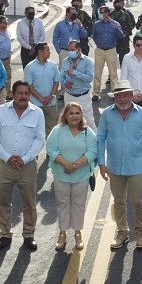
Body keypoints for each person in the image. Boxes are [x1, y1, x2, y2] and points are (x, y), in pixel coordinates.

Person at [97, 80, 142, 250]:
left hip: (136, 166)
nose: (122, 99)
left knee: (138, 202)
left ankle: (140, 233)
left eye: (125, 95)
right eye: (118, 96)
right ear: (115, 97)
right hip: (114, 166)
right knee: (119, 201)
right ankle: (122, 232)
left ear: (131, 96)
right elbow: (100, 138)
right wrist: (101, 163)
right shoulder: (107, 114)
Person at [0, 81, 46, 251]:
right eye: (20, 93)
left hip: (27, 166)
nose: (23, 96)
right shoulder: (1, 111)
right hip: (4, 165)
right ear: (13, 94)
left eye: (26, 93)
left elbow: (39, 139)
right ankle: (5, 235)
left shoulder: (37, 113)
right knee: (4, 201)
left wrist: (26, 158)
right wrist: (7, 158)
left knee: (29, 202)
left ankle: (29, 235)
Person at [47, 102, 97, 251]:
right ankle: (62, 233)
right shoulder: (57, 130)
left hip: (81, 175)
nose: (74, 116)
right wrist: (66, 165)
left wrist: (75, 166)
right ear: (66, 115)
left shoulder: (88, 132)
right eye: (71, 113)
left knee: (78, 204)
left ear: (81, 115)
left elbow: (93, 152)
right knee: (62, 203)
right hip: (61, 174)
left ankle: (77, 233)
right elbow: (51, 149)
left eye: (77, 113)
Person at [24, 42, 61, 136]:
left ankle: (50, 150)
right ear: (40, 52)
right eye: (47, 50)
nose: (50, 52)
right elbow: (29, 86)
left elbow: (56, 81)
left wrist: (51, 96)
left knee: (52, 130)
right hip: (36, 104)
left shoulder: (53, 66)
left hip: (51, 103)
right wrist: (41, 99)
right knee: (35, 130)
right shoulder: (30, 67)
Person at [60, 39, 96, 128]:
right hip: (69, 96)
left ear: (78, 49)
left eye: (72, 50)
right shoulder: (65, 61)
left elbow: (89, 78)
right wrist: (65, 83)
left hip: (83, 96)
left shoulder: (87, 61)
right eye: (69, 50)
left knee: (89, 122)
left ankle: (96, 141)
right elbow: (61, 77)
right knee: (69, 122)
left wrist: (75, 73)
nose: (70, 52)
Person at [90, 6, 123, 102]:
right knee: (97, 72)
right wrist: (99, 44)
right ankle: (96, 92)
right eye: (100, 12)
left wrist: (117, 29)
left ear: (108, 13)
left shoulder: (115, 24)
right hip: (100, 50)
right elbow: (94, 36)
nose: (101, 14)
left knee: (113, 73)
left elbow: (121, 36)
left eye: (103, 12)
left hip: (111, 50)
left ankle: (114, 92)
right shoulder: (97, 24)